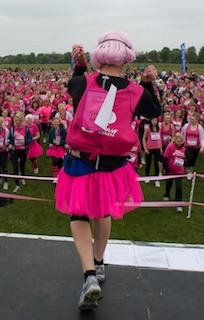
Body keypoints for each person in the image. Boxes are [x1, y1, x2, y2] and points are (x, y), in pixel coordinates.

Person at [55, 31, 161, 311]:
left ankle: (89, 275)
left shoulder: (82, 82)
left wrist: (79, 64)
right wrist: (148, 84)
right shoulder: (136, 93)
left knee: (78, 215)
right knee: (102, 212)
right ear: (127, 58)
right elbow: (154, 112)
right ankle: (99, 263)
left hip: (80, 163)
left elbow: (75, 84)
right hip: (113, 167)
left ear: (98, 56)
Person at [7, 112, 32, 193]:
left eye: (19, 121)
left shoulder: (26, 129)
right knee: (15, 166)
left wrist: (25, 141)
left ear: (21, 121)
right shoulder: (12, 129)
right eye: (16, 120)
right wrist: (10, 144)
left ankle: (22, 176)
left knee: (22, 164)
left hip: (23, 149)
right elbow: (9, 139)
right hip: (15, 150)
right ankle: (17, 184)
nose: (17, 122)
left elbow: (30, 139)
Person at [162, 134, 186, 212]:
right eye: (178, 141)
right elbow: (165, 158)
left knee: (179, 187)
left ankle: (178, 204)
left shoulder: (184, 148)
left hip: (179, 171)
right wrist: (167, 169)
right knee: (169, 183)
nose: (179, 143)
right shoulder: (170, 147)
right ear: (175, 140)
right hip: (170, 170)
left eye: (181, 141)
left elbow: (184, 159)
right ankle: (167, 194)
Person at [181, 113, 204, 179]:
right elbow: (182, 134)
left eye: (194, 119)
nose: (192, 121)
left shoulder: (200, 128)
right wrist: (181, 142)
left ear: (197, 120)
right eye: (191, 119)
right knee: (188, 158)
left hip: (196, 147)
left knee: (193, 160)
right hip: (187, 145)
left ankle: (190, 172)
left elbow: (202, 138)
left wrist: (202, 147)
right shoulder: (186, 126)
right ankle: (187, 168)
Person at [142, 116, 162, 187]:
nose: (154, 122)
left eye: (156, 120)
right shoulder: (148, 129)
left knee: (156, 164)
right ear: (151, 121)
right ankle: (147, 176)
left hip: (157, 147)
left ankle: (156, 179)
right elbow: (144, 138)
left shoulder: (159, 128)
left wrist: (161, 148)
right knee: (148, 163)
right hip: (149, 148)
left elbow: (160, 138)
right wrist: (145, 148)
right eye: (153, 120)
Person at [46, 117, 67, 183]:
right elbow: (49, 140)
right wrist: (49, 143)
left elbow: (66, 140)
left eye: (57, 123)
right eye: (54, 123)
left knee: (60, 163)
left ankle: (59, 176)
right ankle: (55, 177)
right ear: (52, 123)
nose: (56, 124)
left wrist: (60, 142)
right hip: (53, 148)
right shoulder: (51, 130)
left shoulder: (63, 131)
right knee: (54, 162)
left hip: (60, 148)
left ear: (59, 123)